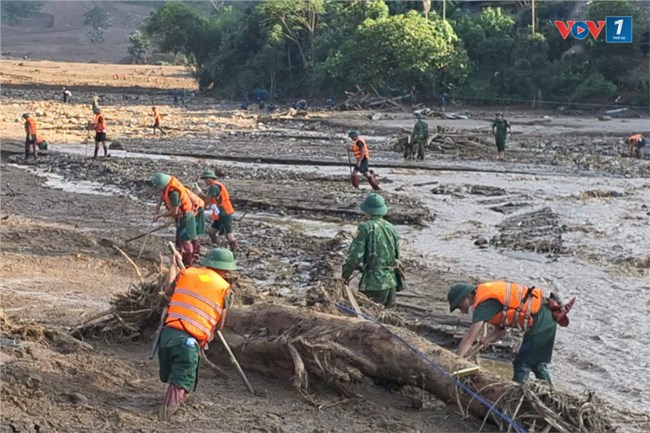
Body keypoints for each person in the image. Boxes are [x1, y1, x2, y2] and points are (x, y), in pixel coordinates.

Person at [157, 247, 236, 420]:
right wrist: (211, 330)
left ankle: (168, 405)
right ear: (226, 269)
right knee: (182, 377)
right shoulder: (224, 289)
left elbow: (167, 291)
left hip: (166, 335)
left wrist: (173, 265)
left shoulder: (187, 273)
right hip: (188, 342)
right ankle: (166, 416)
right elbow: (219, 324)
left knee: (172, 374)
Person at [447, 281, 575, 385]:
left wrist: (456, 360)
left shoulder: (484, 305)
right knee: (537, 363)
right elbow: (501, 330)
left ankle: (516, 395)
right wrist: (489, 339)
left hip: (541, 319)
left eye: (459, 306)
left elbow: (470, 336)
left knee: (522, 363)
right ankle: (549, 393)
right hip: (546, 318)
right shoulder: (486, 301)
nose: (461, 311)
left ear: (468, 297)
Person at [342, 193, 402, 307]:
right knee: (386, 318)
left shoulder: (365, 228)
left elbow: (354, 256)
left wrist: (344, 277)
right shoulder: (392, 228)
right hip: (391, 282)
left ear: (367, 210)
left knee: (369, 318)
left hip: (373, 283)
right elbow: (396, 255)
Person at [152, 173, 198, 267]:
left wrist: (159, 215)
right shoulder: (167, 186)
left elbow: (174, 210)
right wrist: (158, 206)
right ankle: (180, 258)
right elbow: (163, 195)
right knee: (179, 239)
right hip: (180, 216)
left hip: (186, 216)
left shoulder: (174, 192)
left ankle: (188, 263)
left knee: (186, 240)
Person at [197, 169, 238, 251]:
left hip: (224, 212)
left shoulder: (214, 187)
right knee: (211, 232)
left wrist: (199, 206)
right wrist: (199, 193)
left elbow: (206, 201)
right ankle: (216, 245)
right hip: (219, 213)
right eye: (204, 179)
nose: (205, 181)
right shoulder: (215, 186)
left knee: (228, 233)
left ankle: (235, 247)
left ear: (211, 178)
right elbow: (208, 199)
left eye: (206, 179)